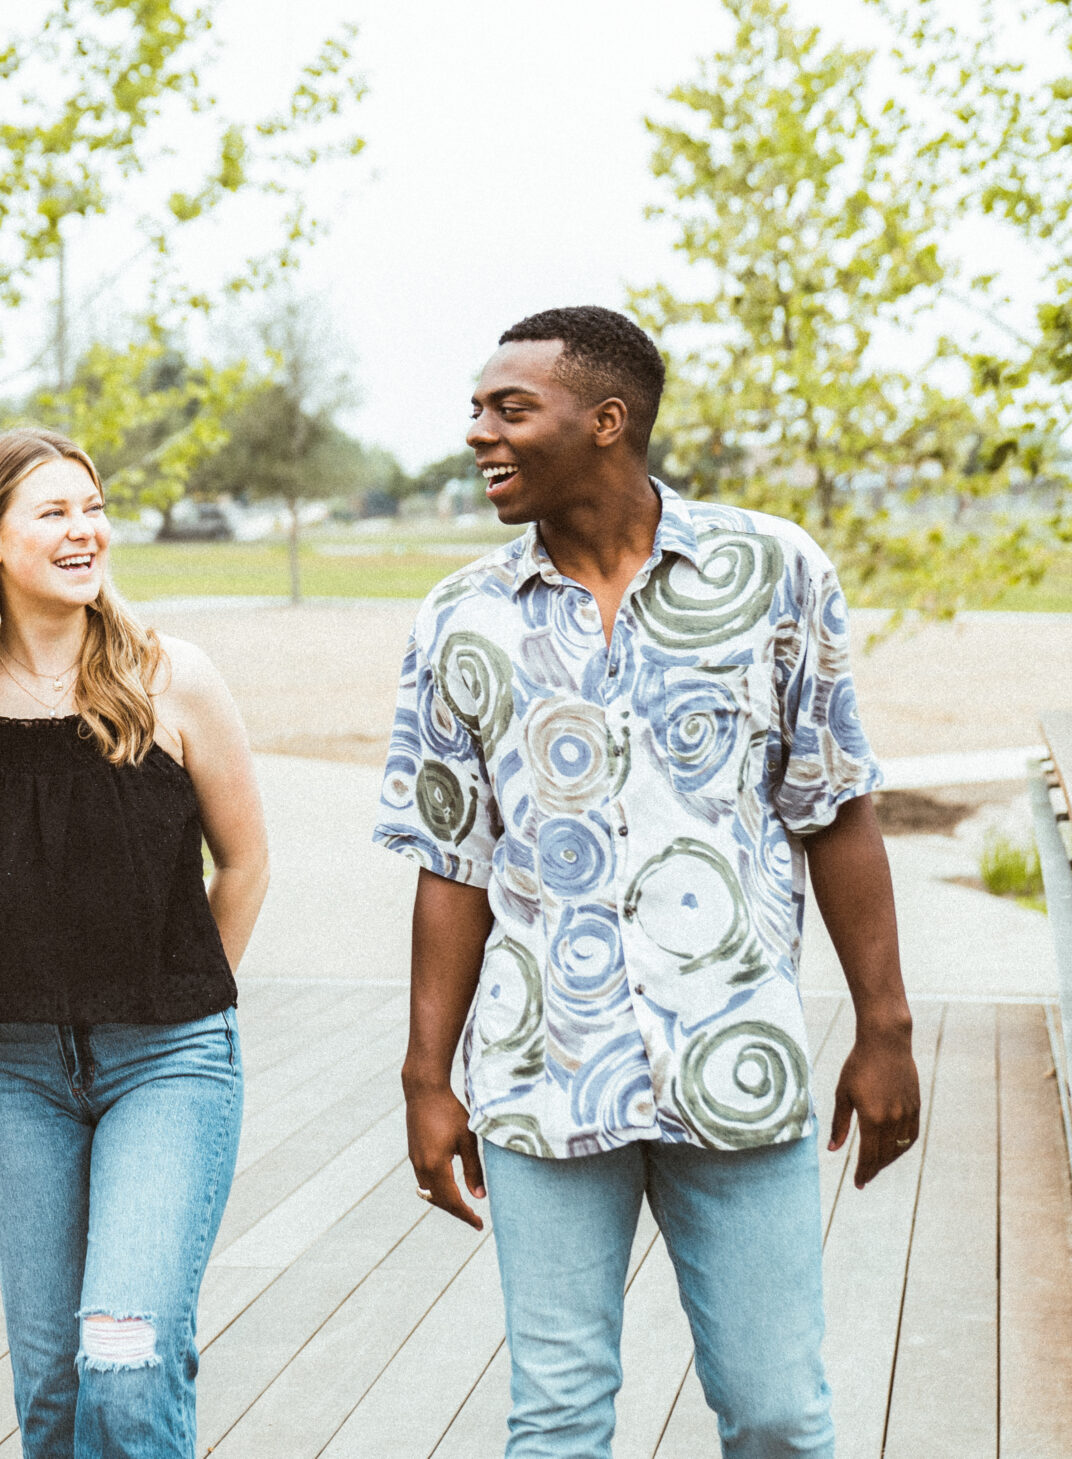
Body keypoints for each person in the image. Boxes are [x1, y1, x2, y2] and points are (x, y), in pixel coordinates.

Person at [375, 306, 923, 1458]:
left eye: (507, 409)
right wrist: (427, 1079)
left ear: (607, 421)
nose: (477, 432)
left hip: (734, 1057)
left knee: (778, 1414)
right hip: (541, 1072)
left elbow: (835, 806)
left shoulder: (772, 572)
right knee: (559, 1420)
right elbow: (451, 862)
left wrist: (886, 1027)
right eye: (475, 408)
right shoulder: (459, 618)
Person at [0, 429, 270, 1459]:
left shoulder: (171, 679)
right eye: (52, 512)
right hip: (15, 1082)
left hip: (168, 1065)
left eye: (91, 507)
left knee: (126, 1366)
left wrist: (180, 986)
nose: (84, 529)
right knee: (53, 1394)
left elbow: (244, 864)